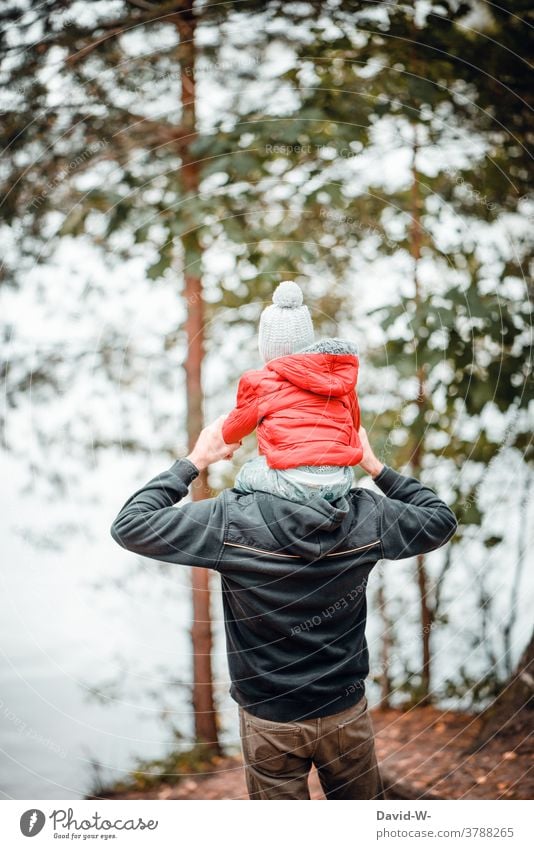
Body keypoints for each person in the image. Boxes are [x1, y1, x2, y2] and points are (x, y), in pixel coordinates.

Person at [110, 415, 457, 800]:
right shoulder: (366, 516)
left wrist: (195, 461)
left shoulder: (232, 520)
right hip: (344, 707)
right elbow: (440, 520)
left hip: (268, 716)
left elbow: (131, 525)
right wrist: (375, 467)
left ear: (270, 452)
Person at [222, 280, 363, 503]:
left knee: (245, 474)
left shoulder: (260, 382)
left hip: (289, 481)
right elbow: (354, 425)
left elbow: (233, 430)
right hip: (339, 481)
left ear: (265, 347)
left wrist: (229, 444)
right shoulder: (338, 380)